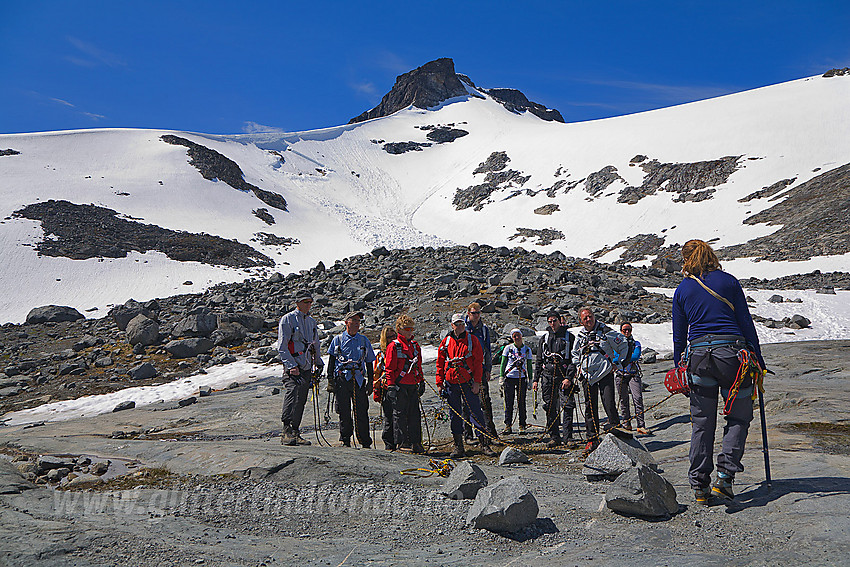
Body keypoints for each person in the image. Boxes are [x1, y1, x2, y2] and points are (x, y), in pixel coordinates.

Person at [673, 239, 766, 504]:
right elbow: (746, 323)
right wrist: (758, 358)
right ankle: (725, 478)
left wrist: (680, 367)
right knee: (738, 417)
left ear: (686, 259)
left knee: (702, 422)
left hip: (699, 357)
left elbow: (679, 336)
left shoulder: (683, 289)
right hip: (733, 356)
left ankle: (699, 485)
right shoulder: (729, 282)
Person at [437, 313, 497, 458]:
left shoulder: (473, 340)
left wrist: (477, 382)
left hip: (468, 383)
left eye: (462, 324)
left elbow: (478, 363)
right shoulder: (445, 342)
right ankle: (459, 447)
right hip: (451, 384)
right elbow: (439, 364)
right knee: (455, 415)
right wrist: (439, 383)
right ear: (452, 326)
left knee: (476, 412)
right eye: (457, 324)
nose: (460, 326)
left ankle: (484, 444)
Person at [572, 307, 629, 449]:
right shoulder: (580, 336)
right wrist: (578, 367)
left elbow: (623, 344)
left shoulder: (605, 331)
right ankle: (592, 438)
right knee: (590, 407)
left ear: (594, 316)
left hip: (605, 373)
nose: (588, 320)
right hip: (587, 376)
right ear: (581, 320)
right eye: (585, 318)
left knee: (609, 403)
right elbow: (574, 354)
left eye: (590, 316)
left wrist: (618, 362)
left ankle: (617, 434)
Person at [277, 291, 324, 446]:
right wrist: (291, 366)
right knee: (292, 394)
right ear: (297, 303)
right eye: (305, 302)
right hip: (293, 366)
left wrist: (318, 362)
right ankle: (286, 430)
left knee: (301, 398)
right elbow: (282, 346)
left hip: (306, 366)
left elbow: (315, 344)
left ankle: (295, 431)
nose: (308, 304)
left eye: (310, 302)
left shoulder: (311, 322)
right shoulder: (287, 319)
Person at [327, 311, 376, 448]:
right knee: (344, 411)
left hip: (359, 379)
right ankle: (345, 439)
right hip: (342, 379)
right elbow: (331, 360)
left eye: (358, 321)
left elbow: (369, 361)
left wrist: (371, 381)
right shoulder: (338, 340)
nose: (356, 323)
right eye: (353, 320)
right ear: (346, 322)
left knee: (361, 411)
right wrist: (330, 380)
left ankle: (365, 441)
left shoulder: (364, 340)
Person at [534, 311, 576, 448]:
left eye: (554, 321)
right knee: (550, 406)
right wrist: (535, 379)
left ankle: (568, 437)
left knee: (568, 406)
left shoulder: (570, 337)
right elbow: (539, 359)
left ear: (560, 321)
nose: (552, 324)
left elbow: (574, 360)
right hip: (547, 377)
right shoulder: (544, 338)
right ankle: (554, 436)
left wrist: (569, 377)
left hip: (564, 377)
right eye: (550, 321)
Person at [384, 314, 426, 453]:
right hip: (399, 385)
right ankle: (402, 443)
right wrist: (390, 386)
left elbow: (418, 366)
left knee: (414, 414)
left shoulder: (415, 346)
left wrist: (421, 381)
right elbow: (389, 368)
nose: (410, 331)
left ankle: (416, 442)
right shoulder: (394, 346)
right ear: (399, 329)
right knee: (399, 415)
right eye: (407, 329)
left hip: (412, 384)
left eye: (411, 329)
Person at [464, 303, 498, 440]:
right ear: (468, 314)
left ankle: (489, 432)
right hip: (465, 370)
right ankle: (468, 434)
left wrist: (488, 369)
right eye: (473, 313)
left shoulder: (483, 330)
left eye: (478, 313)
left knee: (485, 401)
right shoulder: (463, 329)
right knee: (465, 402)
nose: (476, 315)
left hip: (480, 369)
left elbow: (487, 351)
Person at [613, 322, 650, 435]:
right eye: (624, 330)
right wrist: (626, 358)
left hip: (633, 374)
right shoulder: (616, 344)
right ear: (621, 331)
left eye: (628, 329)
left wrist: (621, 358)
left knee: (637, 398)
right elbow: (614, 357)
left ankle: (641, 425)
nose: (627, 332)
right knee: (623, 400)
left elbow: (636, 355)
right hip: (621, 374)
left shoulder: (636, 343)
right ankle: (626, 423)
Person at [499, 329, 533, 434]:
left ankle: (522, 424)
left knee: (521, 402)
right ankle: (508, 425)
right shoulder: (508, 348)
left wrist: (530, 379)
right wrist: (501, 377)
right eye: (514, 336)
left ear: (521, 336)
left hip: (521, 378)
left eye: (518, 335)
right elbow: (503, 363)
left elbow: (529, 365)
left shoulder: (527, 350)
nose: (516, 338)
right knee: (509, 402)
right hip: (509, 378)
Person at [372, 326, 397, 450]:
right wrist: (376, 391)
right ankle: (389, 443)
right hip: (386, 389)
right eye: (390, 337)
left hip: (400, 387)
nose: (393, 339)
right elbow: (376, 374)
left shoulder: (400, 350)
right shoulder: (381, 355)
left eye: (394, 336)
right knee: (389, 417)